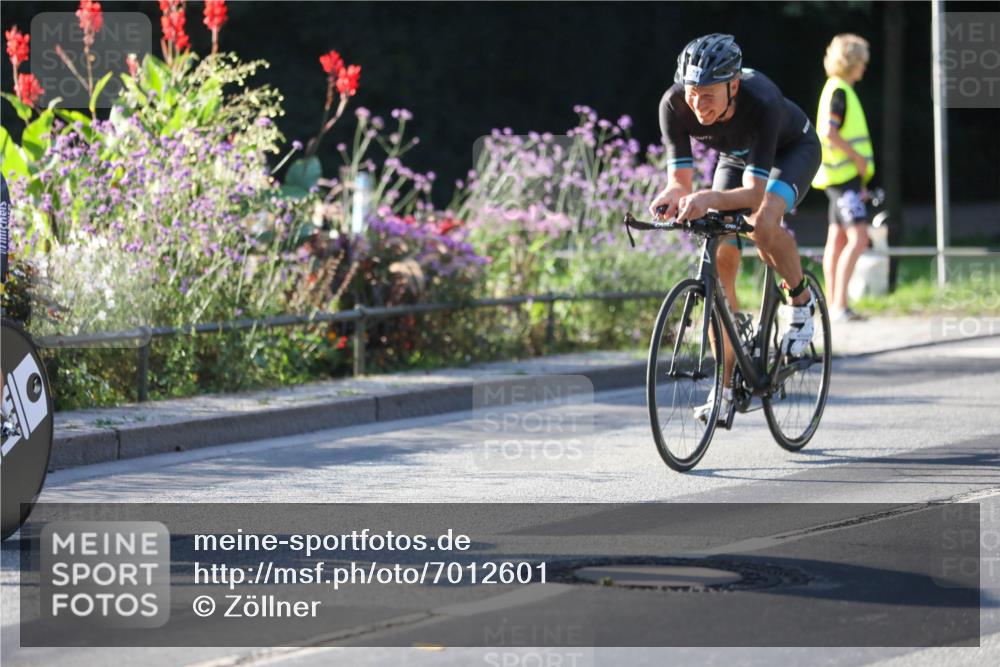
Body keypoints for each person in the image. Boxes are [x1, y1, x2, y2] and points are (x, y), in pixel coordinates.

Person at [648, 33, 822, 423]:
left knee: (762, 223)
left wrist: (708, 199)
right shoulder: (674, 105)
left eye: (709, 93)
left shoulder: (761, 100)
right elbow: (681, 181)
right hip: (737, 157)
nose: (698, 103)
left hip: (791, 151)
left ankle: (800, 299)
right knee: (718, 258)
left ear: (733, 85)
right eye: (693, 92)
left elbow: (754, 193)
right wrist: (672, 196)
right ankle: (725, 387)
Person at [812, 34, 875, 322]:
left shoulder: (834, 88)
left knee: (836, 240)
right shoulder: (840, 92)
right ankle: (839, 304)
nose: (864, 67)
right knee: (859, 238)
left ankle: (834, 304)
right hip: (844, 178)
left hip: (838, 180)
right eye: (861, 61)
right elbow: (829, 132)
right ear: (852, 62)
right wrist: (858, 159)